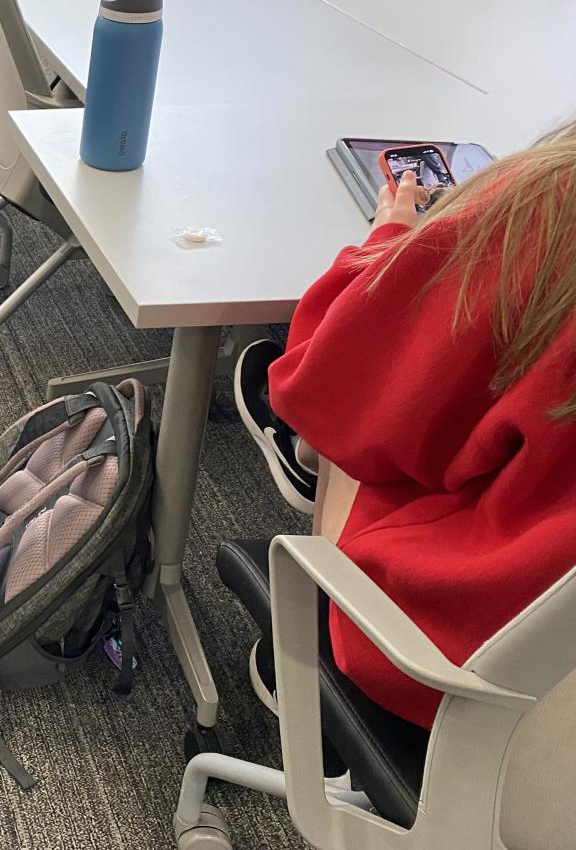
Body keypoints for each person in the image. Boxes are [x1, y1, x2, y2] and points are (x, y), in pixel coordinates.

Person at [230, 123, 576, 732]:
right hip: (557, 711)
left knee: (353, 399)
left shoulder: (550, 206)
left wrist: (390, 244)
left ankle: (307, 457)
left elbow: (334, 380)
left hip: (452, 675)